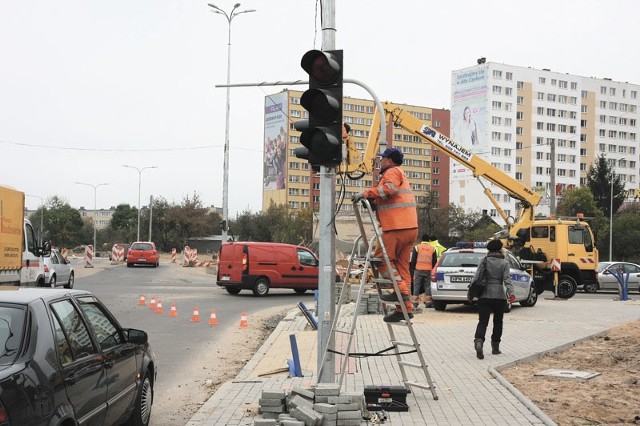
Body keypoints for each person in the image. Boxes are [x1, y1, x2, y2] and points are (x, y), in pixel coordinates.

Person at [352, 147, 418, 322]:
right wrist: (373, 202)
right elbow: (387, 197)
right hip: (409, 228)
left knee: (381, 260)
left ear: (389, 160)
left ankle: (401, 292)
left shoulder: (392, 172)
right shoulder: (400, 174)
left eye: (382, 159)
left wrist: (365, 193)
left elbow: (388, 190)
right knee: (402, 269)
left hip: (396, 227)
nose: (380, 162)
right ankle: (405, 309)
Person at [467, 239, 516, 359]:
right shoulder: (504, 263)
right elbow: (507, 280)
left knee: (483, 321)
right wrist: (511, 293)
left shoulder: (483, 260)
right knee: (498, 322)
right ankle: (495, 348)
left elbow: (476, 277)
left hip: (484, 295)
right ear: (500, 249)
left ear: (488, 249)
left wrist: (471, 293)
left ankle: (479, 341)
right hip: (499, 296)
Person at [409, 234, 437, 311]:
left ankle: (415, 302)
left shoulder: (417, 247)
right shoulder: (432, 248)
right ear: (429, 240)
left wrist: (412, 269)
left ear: (422, 240)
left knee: (416, 286)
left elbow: (413, 259)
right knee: (427, 286)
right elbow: (434, 261)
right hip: (428, 270)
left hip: (418, 270)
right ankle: (428, 302)